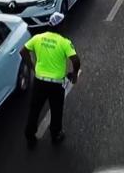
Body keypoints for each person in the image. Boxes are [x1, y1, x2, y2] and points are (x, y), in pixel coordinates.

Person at [21, 12, 81, 147]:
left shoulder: (38, 38)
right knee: (56, 109)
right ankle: (55, 134)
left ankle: (30, 136)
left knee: (35, 109)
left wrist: (32, 66)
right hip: (56, 84)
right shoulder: (64, 42)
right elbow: (76, 60)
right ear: (60, 26)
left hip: (39, 81)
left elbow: (23, 51)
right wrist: (74, 73)